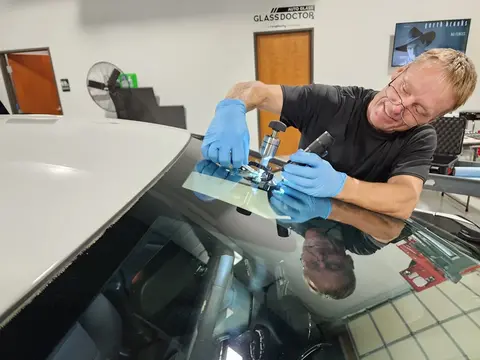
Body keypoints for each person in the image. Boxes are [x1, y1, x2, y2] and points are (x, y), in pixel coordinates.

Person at [201, 48, 477, 219]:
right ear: (400, 70)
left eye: (418, 109)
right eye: (404, 88)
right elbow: (253, 90)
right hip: (297, 223)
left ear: (435, 117)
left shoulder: (420, 137)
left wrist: (341, 186)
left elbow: (404, 200)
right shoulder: (332, 102)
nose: (397, 107)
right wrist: (231, 110)